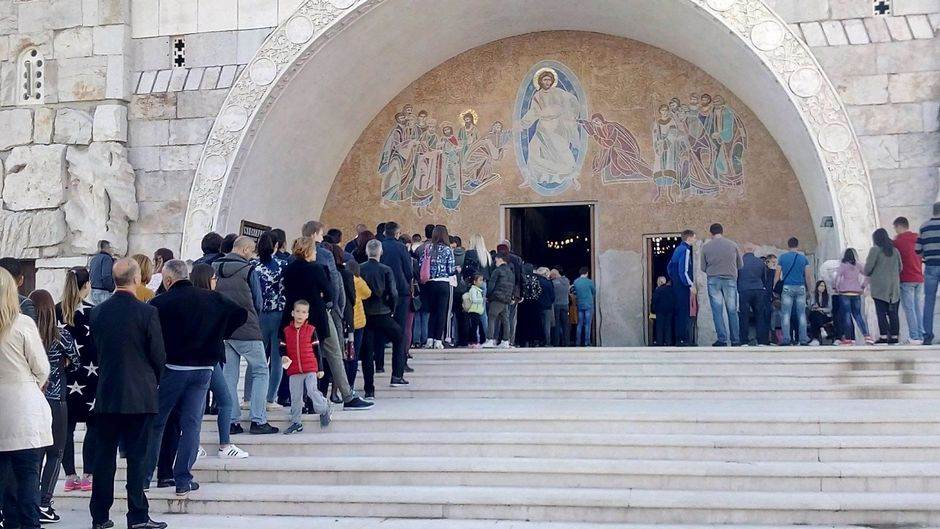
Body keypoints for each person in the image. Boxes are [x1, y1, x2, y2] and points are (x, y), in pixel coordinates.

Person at [145, 260, 247, 496]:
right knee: (192, 425)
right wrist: (218, 334)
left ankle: (144, 477)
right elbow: (240, 314)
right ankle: (183, 478)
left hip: (174, 367)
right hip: (205, 368)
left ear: (168, 280)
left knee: (157, 423)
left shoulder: (160, 302)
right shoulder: (212, 298)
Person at [87, 258, 167, 529]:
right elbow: (158, 356)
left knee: (104, 459)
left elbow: (97, 351)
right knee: (137, 459)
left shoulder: (97, 313)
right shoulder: (147, 313)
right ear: (136, 279)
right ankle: (137, 516)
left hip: (108, 392)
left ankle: (100, 516)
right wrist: (152, 381)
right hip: (140, 395)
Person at [283, 237, 373, 410]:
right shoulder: (316, 269)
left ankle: (304, 398)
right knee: (334, 353)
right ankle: (347, 395)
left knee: (301, 355)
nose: (316, 253)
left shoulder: (289, 269)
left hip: (295, 317)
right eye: (314, 250)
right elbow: (330, 292)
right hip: (318, 315)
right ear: (309, 251)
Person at [213, 236, 279, 435]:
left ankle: (232, 421)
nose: (252, 255)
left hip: (224, 330)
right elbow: (258, 302)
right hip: (246, 327)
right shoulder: (248, 269)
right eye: (251, 251)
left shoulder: (214, 267)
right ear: (244, 250)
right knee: (260, 371)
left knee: (229, 376)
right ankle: (258, 420)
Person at [0, 268, 50, 529]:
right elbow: (42, 367)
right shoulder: (22, 324)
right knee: (29, 478)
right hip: (24, 409)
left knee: (6, 485)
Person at [28, 290, 80, 523]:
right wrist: (63, 362)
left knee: (35, 453)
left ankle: (31, 499)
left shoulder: (25, 335)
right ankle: (45, 502)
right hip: (56, 398)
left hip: (31, 399)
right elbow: (76, 361)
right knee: (56, 452)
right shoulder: (61, 336)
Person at [190, 263, 250, 459]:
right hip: (209, 357)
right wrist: (223, 331)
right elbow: (240, 314)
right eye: (214, 278)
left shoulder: (190, 299)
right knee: (222, 401)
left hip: (193, 357)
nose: (216, 281)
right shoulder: (215, 299)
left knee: (200, 404)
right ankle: (223, 444)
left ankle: (196, 443)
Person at [55, 267, 97, 495]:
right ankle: (89, 474)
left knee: (66, 429)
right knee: (93, 426)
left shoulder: (55, 311)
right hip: (92, 376)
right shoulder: (94, 312)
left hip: (65, 377)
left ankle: (70, 475)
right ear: (86, 285)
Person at [361, 239, 408, 394]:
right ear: (380, 252)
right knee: (400, 337)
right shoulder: (386, 269)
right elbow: (393, 293)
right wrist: (392, 309)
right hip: (382, 312)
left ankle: (369, 389)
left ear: (367, 252)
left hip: (365, 314)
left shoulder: (360, 269)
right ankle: (397, 375)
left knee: (368, 350)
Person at [283, 300, 332, 434]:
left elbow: (317, 350)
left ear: (307, 315)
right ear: (293, 313)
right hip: (294, 370)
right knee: (295, 396)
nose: (300, 314)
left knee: (311, 390)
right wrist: (284, 357)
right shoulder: (286, 331)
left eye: (303, 312)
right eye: (298, 311)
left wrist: (320, 368)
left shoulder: (311, 330)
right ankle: (296, 422)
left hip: (310, 368)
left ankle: (324, 407)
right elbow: (282, 347)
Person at [252, 232, 288, 409]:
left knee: (257, 357)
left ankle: (248, 397)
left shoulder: (253, 266)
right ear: (276, 246)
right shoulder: (282, 265)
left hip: (259, 315)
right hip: (279, 314)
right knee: (276, 359)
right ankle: (270, 398)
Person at [700, 223, 743, 346]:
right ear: (722, 231)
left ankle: (722, 339)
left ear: (711, 233)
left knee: (717, 311)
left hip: (713, 280)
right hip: (730, 280)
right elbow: (740, 265)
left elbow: (703, 267)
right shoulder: (732, 245)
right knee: (732, 310)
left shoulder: (706, 247)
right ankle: (735, 340)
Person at [380, 222, 414, 371]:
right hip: (400, 291)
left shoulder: (379, 246)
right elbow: (409, 270)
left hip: (382, 292)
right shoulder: (401, 247)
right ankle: (400, 367)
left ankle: (379, 365)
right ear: (397, 233)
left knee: (380, 328)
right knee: (400, 330)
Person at [418, 225, 456, 349]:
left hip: (430, 283)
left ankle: (429, 339)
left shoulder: (427, 248)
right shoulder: (447, 249)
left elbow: (420, 265)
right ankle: (438, 340)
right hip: (443, 283)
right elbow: (450, 270)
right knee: (441, 312)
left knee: (432, 312)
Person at [866, 228, 903, 344]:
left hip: (879, 288)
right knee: (893, 313)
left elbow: (867, 269)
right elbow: (900, 267)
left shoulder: (875, 250)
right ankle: (895, 336)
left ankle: (883, 336)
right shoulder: (895, 251)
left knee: (881, 313)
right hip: (894, 288)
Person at [775, 237, 813, 346]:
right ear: (797, 245)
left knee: (786, 314)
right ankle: (803, 339)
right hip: (800, 287)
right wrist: (810, 289)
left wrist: (775, 288)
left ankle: (786, 338)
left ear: (788, 245)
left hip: (787, 287)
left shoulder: (782, 258)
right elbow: (808, 276)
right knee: (801, 314)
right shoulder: (803, 259)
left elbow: (777, 275)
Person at [893, 217, 925, 344]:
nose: (895, 231)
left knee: (909, 309)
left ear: (899, 227)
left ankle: (914, 336)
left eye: (895, 228)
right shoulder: (918, 238)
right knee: (918, 308)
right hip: (919, 277)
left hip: (906, 278)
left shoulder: (898, 241)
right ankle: (921, 334)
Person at [834, 248, 871, 345]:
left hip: (845, 292)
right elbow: (868, 274)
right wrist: (863, 286)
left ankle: (848, 338)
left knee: (847, 315)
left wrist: (835, 287)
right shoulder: (858, 265)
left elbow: (837, 276)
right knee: (858, 315)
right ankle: (867, 336)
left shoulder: (843, 265)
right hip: (856, 292)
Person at [667, 230, 696, 346]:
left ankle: (679, 338)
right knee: (684, 311)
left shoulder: (678, 249)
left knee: (679, 311)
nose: (695, 240)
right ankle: (683, 339)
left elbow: (669, 268)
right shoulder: (686, 250)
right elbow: (683, 271)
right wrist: (690, 285)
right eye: (694, 237)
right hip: (682, 285)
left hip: (676, 285)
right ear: (689, 238)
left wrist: (674, 280)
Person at [917, 202, 940, 345]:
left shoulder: (924, 227)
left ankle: (928, 335)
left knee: (929, 302)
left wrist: (927, 255)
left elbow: (917, 250)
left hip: (931, 266)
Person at [737, 245, 770, 346]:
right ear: (754, 250)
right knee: (760, 315)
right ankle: (761, 341)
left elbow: (736, 276)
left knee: (744, 316)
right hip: (758, 289)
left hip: (744, 289)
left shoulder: (740, 261)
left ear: (743, 250)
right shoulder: (760, 262)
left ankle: (744, 341)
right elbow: (764, 277)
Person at [347, 260, 371, 387]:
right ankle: (350, 384)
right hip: (358, 321)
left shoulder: (343, 278)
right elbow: (368, 293)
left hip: (346, 322)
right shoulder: (358, 280)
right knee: (354, 353)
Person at [484, 253, 514, 348]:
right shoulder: (511, 272)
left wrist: (488, 296)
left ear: (500, 259)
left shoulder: (497, 271)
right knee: (505, 320)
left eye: (496, 260)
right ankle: (505, 341)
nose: (495, 262)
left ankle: (490, 339)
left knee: (492, 318)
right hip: (506, 298)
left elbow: (491, 285)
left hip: (497, 298)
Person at [572, 267, 596, 346]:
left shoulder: (576, 282)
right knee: (587, 324)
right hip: (588, 304)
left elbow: (573, 292)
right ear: (587, 273)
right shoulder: (589, 282)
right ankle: (587, 343)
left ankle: (577, 342)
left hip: (580, 304)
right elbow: (594, 292)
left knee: (580, 324)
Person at [88, 240, 115, 305]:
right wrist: (111, 288)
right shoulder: (106, 258)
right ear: (108, 248)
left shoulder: (94, 258)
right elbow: (106, 276)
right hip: (103, 292)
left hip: (93, 291)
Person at [651, 276, 675, 346]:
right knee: (668, 327)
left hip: (660, 312)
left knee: (659, 327)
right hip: (669, 311)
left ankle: (660, 342)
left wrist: (652, 310)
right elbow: (674, 300)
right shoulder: (671, 290)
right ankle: (668, 342)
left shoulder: (658, 290)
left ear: (660, 282)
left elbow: (654, 301)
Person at [534, 267, 556, 346]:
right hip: (547, 306)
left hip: (537, 306)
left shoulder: (536, 281)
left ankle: (537, 342)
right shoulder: (549, 283)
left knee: (537, 324)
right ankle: (547, 342)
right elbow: (553, 296)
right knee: (547, 325)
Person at [550, 269, 570, 346]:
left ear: (554, 275)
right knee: (566, 325)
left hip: (556, 305)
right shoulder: (566, 281)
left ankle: (556, 343)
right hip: (565, 305)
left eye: (551, 276)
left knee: (557, 325)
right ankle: (567, 342)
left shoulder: (553, 283)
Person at [465, 274, 487, 347]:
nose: (481, 282)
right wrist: (482, 299)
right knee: (474, 327)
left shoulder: (479, 290)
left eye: (482, 280)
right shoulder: (473, 290)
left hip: (478, 311)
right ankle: (473, 342)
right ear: (474, 282)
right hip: (473, 311)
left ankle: (480, 341)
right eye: (480, 280)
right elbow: (473, 300)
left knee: (479, 326)